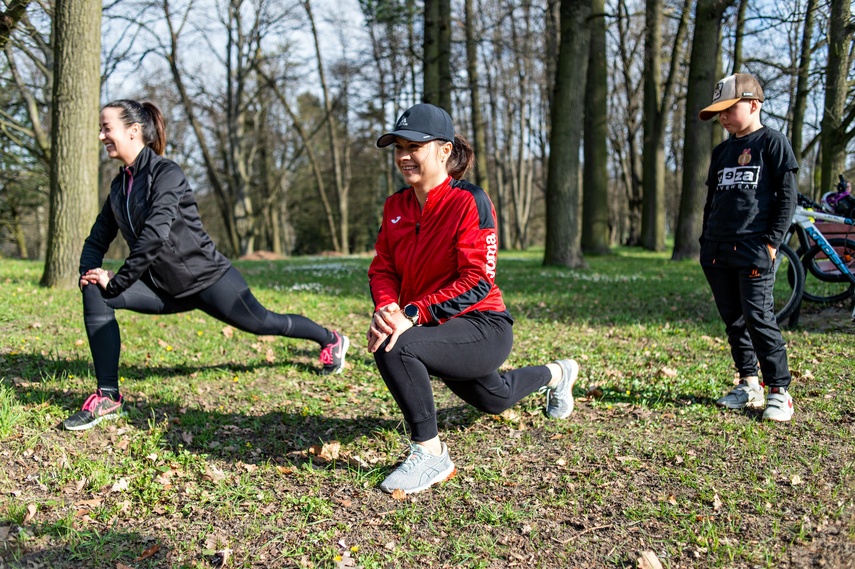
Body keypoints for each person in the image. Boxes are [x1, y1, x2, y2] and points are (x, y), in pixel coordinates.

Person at [64, 99, 349, 431]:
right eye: (101, 129)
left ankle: (330, 339)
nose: (101, 136)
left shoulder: (165, 174)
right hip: (162, 289)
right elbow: (98, 238)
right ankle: (108, 396)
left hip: (208, 281)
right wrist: (89, 273)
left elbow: (155, 236)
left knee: (263, 322)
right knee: (95, 293)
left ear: (133, 131)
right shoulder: (119, 186)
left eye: (106, 128)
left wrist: (117, 282)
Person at [367, 103, 579, 494]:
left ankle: (430, 454)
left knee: (395, 345)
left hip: (483, 326)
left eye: (414, 146)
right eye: (398, 147)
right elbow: (383, 267)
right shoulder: (395, 206)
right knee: (495, 399)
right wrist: (387, 306)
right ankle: (559, 373)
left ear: (444, 150)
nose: (403, 156)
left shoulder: (469, 201)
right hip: (432, 326)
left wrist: (412, 312)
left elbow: (477, 280)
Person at [697, 73, 798, 422]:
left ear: (753, 104)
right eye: (718, 112)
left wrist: (772, 243)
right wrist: (704, 241)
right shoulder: (722, 151)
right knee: (734, 321)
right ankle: (748, 382)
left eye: (728, 109)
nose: (723, 117)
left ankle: (778, 392)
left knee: (758, 317)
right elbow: (711, 200)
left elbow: (788, 198)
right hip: (716, 250)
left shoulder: (773, 143)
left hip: (754, 248)